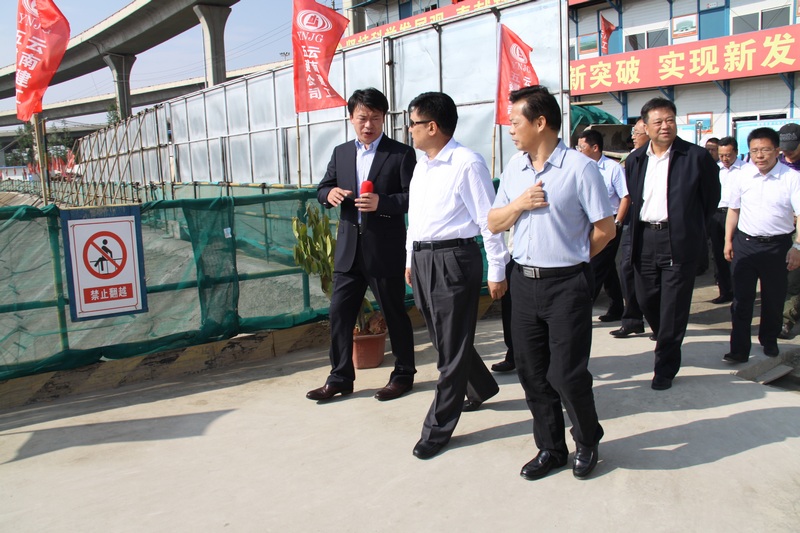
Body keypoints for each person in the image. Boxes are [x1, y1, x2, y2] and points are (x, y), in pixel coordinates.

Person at [489, 85, 614, 480]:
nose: (511, 129)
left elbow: (605, 229)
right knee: (531, 373)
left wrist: (573, 257)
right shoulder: (515, 169)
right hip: (523, 283)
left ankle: (587, 440)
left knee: (567, 374)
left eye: (515, 121)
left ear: (540, 122)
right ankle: (551, 448)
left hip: (566, 285)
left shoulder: (580, 168)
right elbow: (493, 222)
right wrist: (519, 204)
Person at [404, 91, 508, 460]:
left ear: (432, 127)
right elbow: (416, 218)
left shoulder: (467, 163)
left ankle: (437, 428)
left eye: (413, 124)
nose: (410, 130)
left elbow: (489, 220)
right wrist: (410, 258)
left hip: (454, 259)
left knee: (450, 348)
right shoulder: (422, 166)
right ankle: (480, 386)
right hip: (423, 260)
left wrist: (497, 268)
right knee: (443, 338)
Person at [307, 88, 417, 402]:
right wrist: (328, 195)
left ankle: (403, 375)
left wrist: (383, 202)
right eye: (362, 118)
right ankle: (340, 377)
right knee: (339, 314)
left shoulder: (400, 154)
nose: (368, 125)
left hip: (384, 250)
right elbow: (323, 187)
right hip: (348, 251)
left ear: (384, 119)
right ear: (351, 118)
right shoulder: (341, 152)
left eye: (375, 118)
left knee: (394, 314)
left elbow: (413, 197)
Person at [625, 97, 720, 390]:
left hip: (678, 239)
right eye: (658, 122)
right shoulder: (636, 159)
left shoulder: (695, 157)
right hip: (645, 237)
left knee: (674, 307)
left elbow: (710, 199)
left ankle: (664, 368)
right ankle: (665, 336)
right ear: (645, 126)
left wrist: (691, 228)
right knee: (646, 299)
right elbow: (634, 198)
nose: (665, 126)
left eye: (670, 120)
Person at [723, 127, 800, 363]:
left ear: (777, 151)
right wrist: (728, 240)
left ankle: (769, 340)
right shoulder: (742, 176)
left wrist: (797, 247)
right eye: (754, 150)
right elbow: (733, 210)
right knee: (741, 300)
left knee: (773, 299)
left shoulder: (791, 178)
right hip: (745, 244)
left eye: (765, 150)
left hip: (778, 247)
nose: (759, 155)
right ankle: (739, 349)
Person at [577, 128, 630, 322]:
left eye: (582, 147)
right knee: (607, 268)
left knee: (595, 267)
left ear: (595, 148)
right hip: (589, 221)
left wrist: (617, 222)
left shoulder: (613, 168)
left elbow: (625, 197)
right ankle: (617, 308)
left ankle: (582, 310)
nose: (579, 151)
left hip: (609, 223)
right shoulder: (581, 168)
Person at [611, 119, 650, 339]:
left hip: (657, 225)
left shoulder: (669, 158)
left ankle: (658, 320)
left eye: (637, 132)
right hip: (632, 223)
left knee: (652, 275)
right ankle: (633, 319)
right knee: (626, 268)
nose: (633, 136)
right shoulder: (633, 158)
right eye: (633, 132)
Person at [707, 136, 743, 304]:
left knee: (736, 253)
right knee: (718, 254)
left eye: (728, 155)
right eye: (721, 155)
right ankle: (725, 291)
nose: (724, 159)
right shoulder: (716, 169)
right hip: (717, 214)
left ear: (736, 152)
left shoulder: (746, 170)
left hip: (737, 214)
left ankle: (739, 291)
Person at [777, 123, 800, 338]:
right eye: (784, 149)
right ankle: (786, 318)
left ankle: (788, 318)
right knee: (788, 275)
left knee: (794, 277)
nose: (788, 153)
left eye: (792, 148)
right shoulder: (776, 164)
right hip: (782, 228)